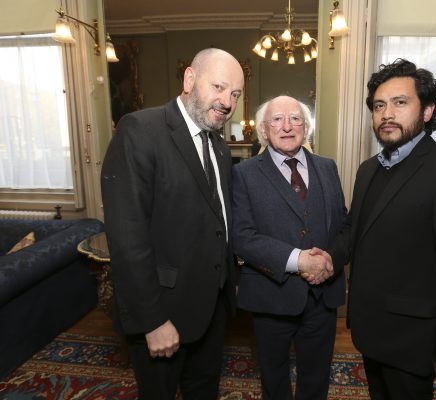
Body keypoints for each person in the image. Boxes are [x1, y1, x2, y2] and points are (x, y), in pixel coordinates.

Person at [329, 59, 436, 399]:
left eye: (399, 102)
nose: (387, 113)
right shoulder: (367, 170)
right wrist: (322, 258)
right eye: (379, 105)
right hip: (370, 332)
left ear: (428, 110)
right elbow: (354, 230)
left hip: (414, 343)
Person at [100, 48, 244, 399]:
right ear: (189, 79)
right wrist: (152, 321)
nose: (226, 101)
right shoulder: (140, 131)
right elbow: (127, 237)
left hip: (210, 311)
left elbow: (217, 222)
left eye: (235, 94)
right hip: (163, 314)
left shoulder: (220, 148)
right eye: (219, 87)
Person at [231, 95, 347, 400]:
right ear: (264, 130)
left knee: (316, 377)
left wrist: (329, 261)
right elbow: (242, 236)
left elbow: (343, 225)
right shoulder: (243, 174)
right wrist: (299, 261)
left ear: (306, 127)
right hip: (272, 297)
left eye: (295, 118)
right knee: (273, 378)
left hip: (323, 296)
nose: (287, 126)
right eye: (277, 120)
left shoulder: (327, 167)